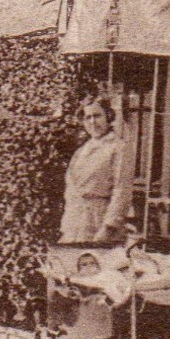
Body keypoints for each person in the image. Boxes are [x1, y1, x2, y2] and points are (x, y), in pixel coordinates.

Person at [58, 93, 133, 245]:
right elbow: (71, 190)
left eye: (97, 116)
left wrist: (108, 228)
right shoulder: (81, 151)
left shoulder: (118, 148)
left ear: (108, 116)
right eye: (88, 117)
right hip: (75, 223)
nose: (93, 122)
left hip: (100, 223)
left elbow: (122, 190)